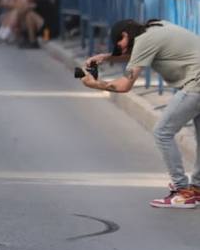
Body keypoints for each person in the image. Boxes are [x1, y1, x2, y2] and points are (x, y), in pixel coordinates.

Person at [81, 19, 200, 209]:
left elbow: (124, 85)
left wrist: (96, 85)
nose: (118, 48)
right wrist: (107, 57)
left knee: (162, 132)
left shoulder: (145, 40)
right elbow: (137, 55)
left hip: (196, 84)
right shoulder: (155, 28)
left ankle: (182, 191)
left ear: (125, 36)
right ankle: (196, 190)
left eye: (118, 43)